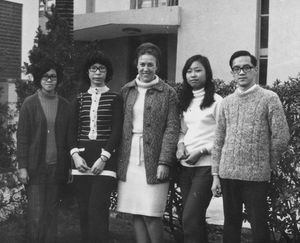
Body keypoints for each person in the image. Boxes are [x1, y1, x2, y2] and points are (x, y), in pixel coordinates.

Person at [211, 50, 290, 243]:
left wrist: (266, 163)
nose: (241, 72)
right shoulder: (227, 102)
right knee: (230, 225)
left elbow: (281, 136)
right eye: (236, 68)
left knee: (259, 225)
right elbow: (218, 139)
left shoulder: (269, 98)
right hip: (228, 173)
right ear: (232, 73)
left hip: (256, 175)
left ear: (255, 70)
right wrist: (215, 174)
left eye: (246, 67)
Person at [117, 42, 180, 243]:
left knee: (152, 214)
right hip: (130, 158)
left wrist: (164, 162)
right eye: (142, 64)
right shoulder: (126, 90)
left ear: (157, 67)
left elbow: (172, 128)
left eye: (150, 65)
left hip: (154, 159)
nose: (146, 69)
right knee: (136, 212)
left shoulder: (168, 92)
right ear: (137, 65)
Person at [68, 50, 123, 243]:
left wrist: (104, 158)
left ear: (107, 73)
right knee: (84, 210)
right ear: (88, 72)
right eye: (93, 69)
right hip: (81, 161)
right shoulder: (79, 99)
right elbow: (71, 131)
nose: (97, 73)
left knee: (97, 209)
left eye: (101, 69)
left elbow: (117, 131)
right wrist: (75, 156)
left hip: (104, 163)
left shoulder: (116, 98)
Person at [17, 60, 70, 243]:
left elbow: (67, 138)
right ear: (39, 79)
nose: (49, 79)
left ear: (58, 80)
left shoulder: (64, 105)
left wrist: (68, 166)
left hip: (56, 168)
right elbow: (22, 137)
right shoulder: (29, 104)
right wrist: (22, 166)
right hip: (36, 168)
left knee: (51, 215)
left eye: (53, 76)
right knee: (36, 216)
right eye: (45, 76)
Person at [176, 54, 223, 243]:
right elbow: (182, 130)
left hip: (206, 167)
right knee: (193, 220)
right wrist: (180, 146)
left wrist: (202, 151)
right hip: (186, 167)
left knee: (190, 218)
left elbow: (225, 136)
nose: (193, 75)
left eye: (198, 70)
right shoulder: (186, 101)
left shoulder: (217, 101)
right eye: (189, 71)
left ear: (207, 73)